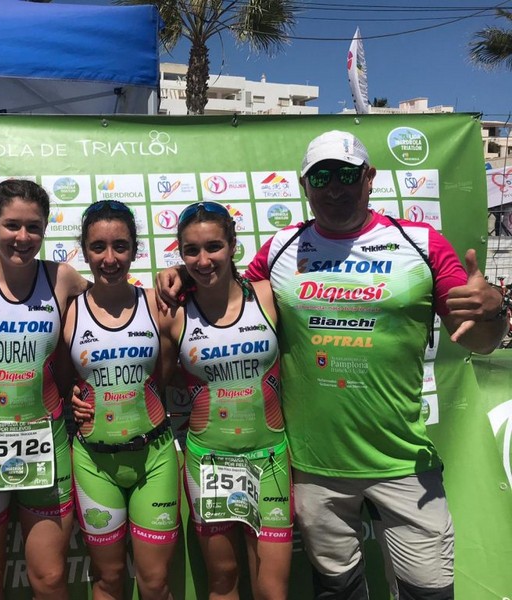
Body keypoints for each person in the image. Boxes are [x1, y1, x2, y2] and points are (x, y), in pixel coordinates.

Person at [157, 131, 510, 600]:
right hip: (314, 467)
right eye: (321, 176)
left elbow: (481, 342)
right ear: (306, 185)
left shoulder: (420, 243)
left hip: (402, 462)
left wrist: (493, 314)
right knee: (338, 590)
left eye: (347, 175)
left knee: (428, 590)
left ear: (369, 178)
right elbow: (225, 289)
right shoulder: (283, 249)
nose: (335, 187)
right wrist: (185, 273)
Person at [0, 179, 88, 599]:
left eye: (34, 227)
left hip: (46, 444)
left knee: (48, 578)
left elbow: (121, 306)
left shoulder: (60, 277)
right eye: (12, 225)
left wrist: (178, 279)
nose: (23, 238)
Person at [164, 201, 291, 600]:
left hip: (270, 456)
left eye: (214, 247)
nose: (203, 260)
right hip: (210, 461)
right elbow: (147, 376)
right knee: (223, 580)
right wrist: (85, 397)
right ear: (181, 253)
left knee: (272, 589)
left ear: (233, 244)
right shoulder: (172, 312)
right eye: (191, 251)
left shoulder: (270, 296)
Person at [64, 200, 180, 600]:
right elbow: (59, 381)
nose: (109, 259)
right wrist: (70, 398)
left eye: (121, 247)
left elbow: (164, 376)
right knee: (109, 579)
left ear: (135, 249)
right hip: (94, 463)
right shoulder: (68, 310)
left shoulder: (157, 304)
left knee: (155, 582)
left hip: (155, 458)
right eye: (98, 247)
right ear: (83, 250)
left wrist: (177, 271)